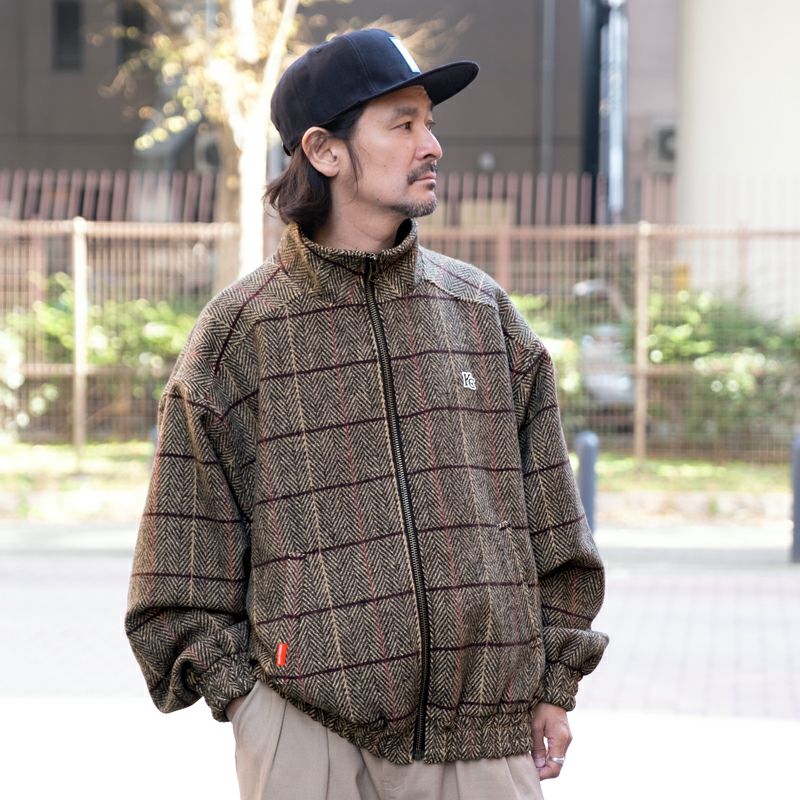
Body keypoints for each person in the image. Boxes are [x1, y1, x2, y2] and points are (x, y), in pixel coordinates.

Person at [125, 28, 608, 800]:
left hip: (486, 735)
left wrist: (556, 680)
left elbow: (555, 527)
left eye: (430, 124)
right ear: (324, 150)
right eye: (402, 123)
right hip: (306, 735)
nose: (432, 145)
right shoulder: (240, 333)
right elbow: (177, 562)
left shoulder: (482, 314)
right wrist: (251, 706)